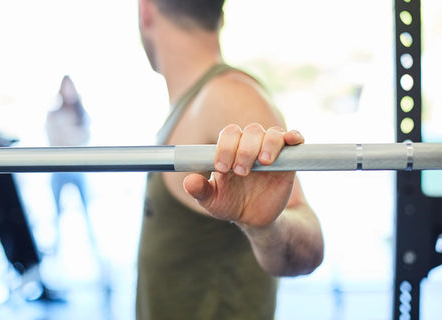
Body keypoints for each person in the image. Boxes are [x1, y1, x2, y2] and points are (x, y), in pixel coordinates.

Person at [136, 1, 324, 319]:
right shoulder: (194, 103)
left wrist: (266, 227)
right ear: (219, 15)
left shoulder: (226, 97)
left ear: (146, 10)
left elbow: (309, 247)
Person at [45, 75, 92, 250]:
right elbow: (53, 139)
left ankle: (92, 244)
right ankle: (56, 247)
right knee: (56, 212)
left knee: (86, 210)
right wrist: (72, 134)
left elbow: (85, 138)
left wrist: (67, 134)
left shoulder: (81, 113)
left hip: (79, 169)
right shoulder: (53, 115)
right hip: (58, 169)